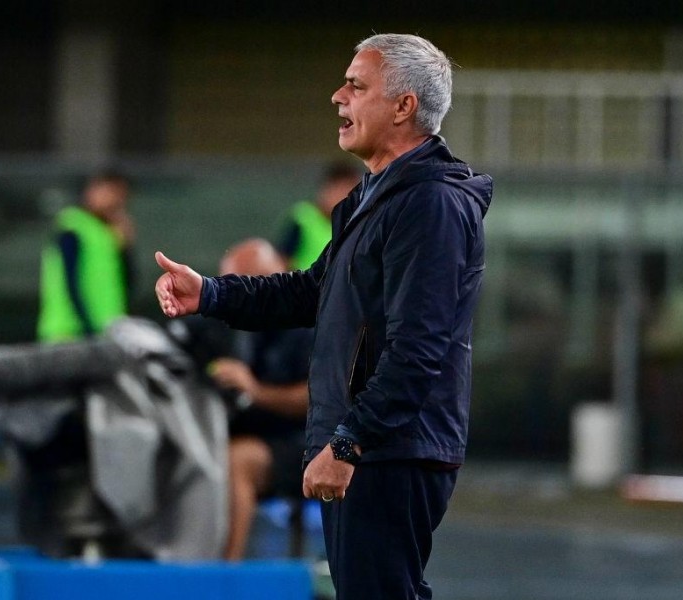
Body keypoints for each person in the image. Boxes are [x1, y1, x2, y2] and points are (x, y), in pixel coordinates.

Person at [154, 33, 493, 599]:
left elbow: (419, 348)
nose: (338, 97)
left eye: (357, 86)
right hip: (372, 446)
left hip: (391, 451)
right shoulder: (372, 198)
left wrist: (349, 443)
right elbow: (311, 292)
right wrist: (210, 293)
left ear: (404, 106)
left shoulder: (430, 204)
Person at [206, 239, 312, 561]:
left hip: (310, 444)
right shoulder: (245, 327)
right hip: (263, 433)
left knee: (238, 460)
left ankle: (226, 576)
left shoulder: (309, 323)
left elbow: (318, 397)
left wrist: (254, 391)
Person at [37, 170, 134, 341]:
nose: (115, 201)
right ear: (91, 191)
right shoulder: (73, 227)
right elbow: (70, 282)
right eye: (109, 192)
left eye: (120, 196)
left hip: (105, 331)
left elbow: (127, 283)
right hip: (68, 332)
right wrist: (88, 328)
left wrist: (126, 248)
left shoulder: (109, 234)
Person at [276, 162, 359, 270]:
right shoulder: (303, 218)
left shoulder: (358, 227)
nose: (344, 199)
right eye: (339, 191)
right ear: (325, 190)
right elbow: (282, 260)